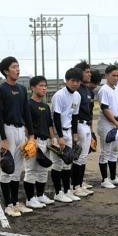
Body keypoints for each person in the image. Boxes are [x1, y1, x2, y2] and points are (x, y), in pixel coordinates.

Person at [0, 56, 36, 216]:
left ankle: (15, 202)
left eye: (18, 66)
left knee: (18, 168)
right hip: (7, 130)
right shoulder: (1, 90)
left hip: (20, 131)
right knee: (7, 168)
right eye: (14, 67)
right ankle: (8, 205)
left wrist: (31, 135)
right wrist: (3, 139)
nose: (17, 69)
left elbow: (26, 112)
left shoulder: (22, 89)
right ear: (6, 71)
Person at [48, 68, 82, 203]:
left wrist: (74, 134)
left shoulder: (77, 96)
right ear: (66, 80)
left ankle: (67, 191)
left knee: (68, 163)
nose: (75, 83)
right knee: (57, 164)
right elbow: (56, 117)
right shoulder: (59, 95)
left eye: (77, 81)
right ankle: (58, 192)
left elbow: (75, 116)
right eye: (72, 80)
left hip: (68, 131)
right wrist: (60, 137)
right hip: (57, 132)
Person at [23, 76, 55, 208]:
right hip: (33, 140)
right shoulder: (28, 105)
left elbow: (49, 125)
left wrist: (53, 139)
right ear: (33, 88)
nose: (44, 88)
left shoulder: (45, 106)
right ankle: (30, 199)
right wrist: (30, 140)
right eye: (41, 85)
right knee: (31, 170)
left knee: (43, 170)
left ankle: (40, 195)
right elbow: (26, 125)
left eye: (45, 86)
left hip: (45, 140)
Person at [97, 65, 118, 188]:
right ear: (106, 76)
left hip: (117, 122)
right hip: (106, 123)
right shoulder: (104, 89)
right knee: (105, 151)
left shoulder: (117, 89)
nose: (115, 78)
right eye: (113, 75)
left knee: (115, 150)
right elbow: (105, 108)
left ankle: (113, 178)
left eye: (117, 75)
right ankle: (105, 180)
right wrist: (117, 123)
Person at [71, 60, 95, 196]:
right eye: (87, 72)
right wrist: (74, 131)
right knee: (78, 157)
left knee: (84, 157)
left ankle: (79, 183)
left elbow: (90, 111)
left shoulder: (87, 90)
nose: (89, 74)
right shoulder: (77, 91)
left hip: (86, 125)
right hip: (79, 125)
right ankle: (75, 186)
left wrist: (91, 129)